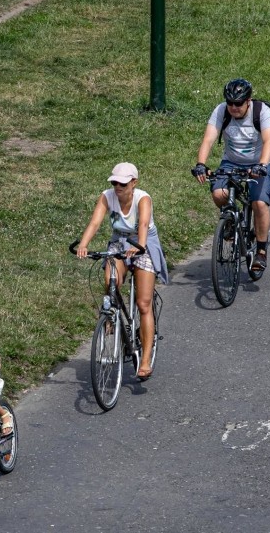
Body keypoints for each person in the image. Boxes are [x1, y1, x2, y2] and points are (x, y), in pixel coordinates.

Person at [75, 162, 169, 380]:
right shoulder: (107, 196)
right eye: (115, 182)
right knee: (111, 283)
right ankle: (111, 315)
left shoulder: (142, 198)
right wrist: (84, 244)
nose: (118, 186)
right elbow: (95, 222)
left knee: (144, 303)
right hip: (119, 242)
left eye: (123, 183)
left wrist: (139, 247)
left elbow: (143, 224)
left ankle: (145, 359)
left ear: (133, 183)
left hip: (143, 243)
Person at [191, 78, 270, 271]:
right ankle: (231, 220)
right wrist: (201, 164)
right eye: (230, 103)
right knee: (218, 193)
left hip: (258, 163)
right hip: (231, 161)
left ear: (248, 101)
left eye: (238, 103)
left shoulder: (261, 111)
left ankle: (261, 252)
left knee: (259, 202)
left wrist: (262, 166)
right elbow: (208, 139)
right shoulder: (221, 111)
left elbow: (269, 141)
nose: (234, 107)